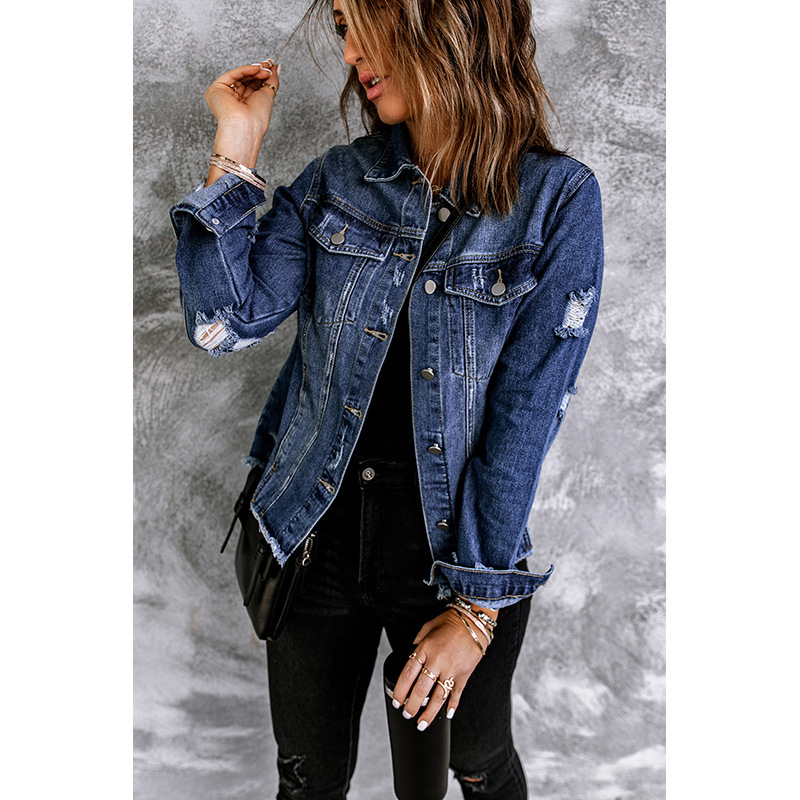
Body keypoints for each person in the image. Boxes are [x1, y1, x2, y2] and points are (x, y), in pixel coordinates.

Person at [170, 1, 603, 797]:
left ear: (446, 18)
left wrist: (475, 606)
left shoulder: (557, 200)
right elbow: (221, 325)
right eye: (341, 27)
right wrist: (236, 146)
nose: (351, 52)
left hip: (454, 553)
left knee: (476, 766)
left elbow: (526, 417)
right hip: (311, 536)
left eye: (365, 20)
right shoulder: (338, 181)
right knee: (307, 780)